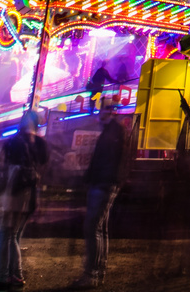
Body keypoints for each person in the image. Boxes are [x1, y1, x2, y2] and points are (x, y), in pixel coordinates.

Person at [72, 100, 127, 289]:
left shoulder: (113, 132)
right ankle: (98, 272)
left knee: (92, 228)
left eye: (101, 110)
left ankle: (91, 275)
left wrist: (98, 179)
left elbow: (108, 160)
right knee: (100, 229)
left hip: (103, 184)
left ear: (108, 111)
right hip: (105, 183)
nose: (98, 113)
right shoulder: (114, 130)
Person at [0, 111, 48, 290]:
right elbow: (44, 164)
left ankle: (3, 276)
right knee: (15, 235)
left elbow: (0, 163)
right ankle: (16, 274)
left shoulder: (14, 141)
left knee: (5, 234)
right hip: (29, 194)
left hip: (13, 191)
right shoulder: (40, 142)